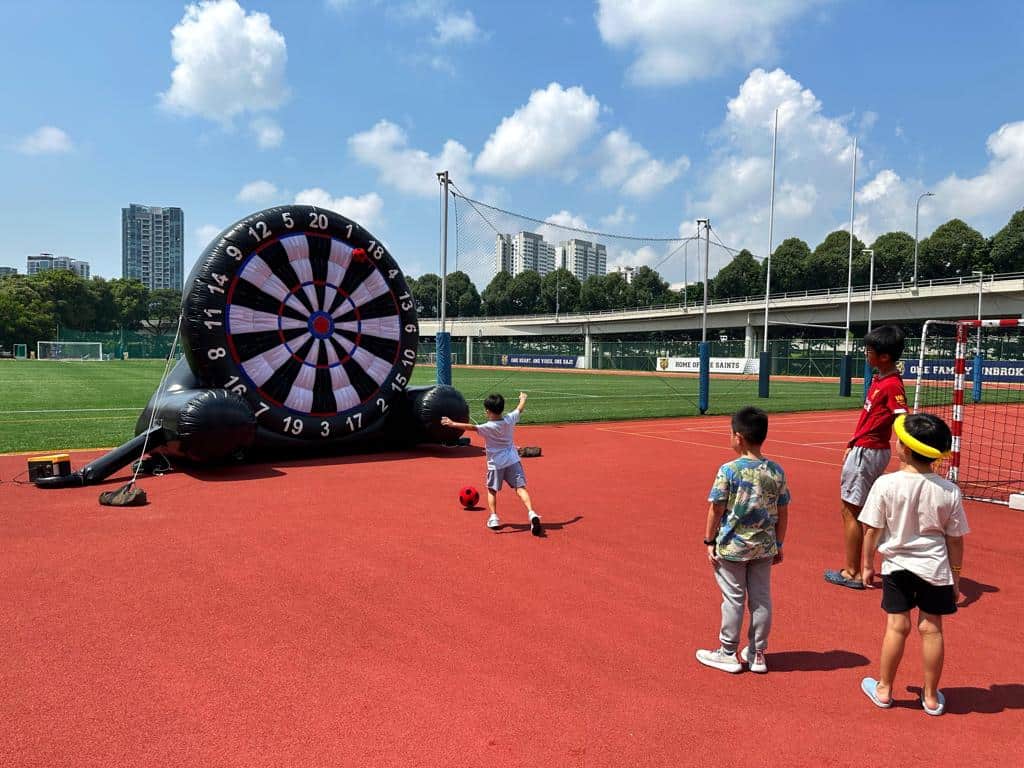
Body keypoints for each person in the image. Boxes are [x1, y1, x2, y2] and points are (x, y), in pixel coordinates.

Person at [858, 413, 968, 716]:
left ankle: (883, 689)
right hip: (935, 568)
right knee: (932, 629)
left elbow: (871, 530)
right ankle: (931, 697)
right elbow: (955, 540)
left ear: (905, 449)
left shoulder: (885, 484)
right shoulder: (949, 490)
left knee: (897, 626)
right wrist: (956, 577)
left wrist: (868, 564)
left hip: (896, 567)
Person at [696, 407, 790, 674]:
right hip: (763, 546)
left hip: (732, 546)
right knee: (761, 599)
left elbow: (716, 508)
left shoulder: (728, 470)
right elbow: (783, 510)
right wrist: (779, 543)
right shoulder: (776, 471)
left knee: (734, 599)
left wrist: (709, 540)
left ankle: (728, 651)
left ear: (738, 437)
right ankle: (758, 652)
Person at [825, 325, 908, 590]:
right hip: (864, 447)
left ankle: (853, 571)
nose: (865, 354)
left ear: (884, 356)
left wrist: (907, 451)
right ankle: (867, 565)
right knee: (862, 509)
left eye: (869, 351)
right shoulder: (880, 379)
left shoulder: (892, 384)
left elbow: (901, 416)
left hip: (869, 451)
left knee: (851, 509)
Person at [441, 392, 542, 536]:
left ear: (488, 411)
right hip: (513, 461)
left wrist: (452, 423)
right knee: (520, 488)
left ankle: (494, 517)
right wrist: (523, 398)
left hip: (496, 464)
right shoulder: (509, 419)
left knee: (492, 490)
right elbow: (519, 409)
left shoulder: (487, 427)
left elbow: (471, 427)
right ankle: (532, 513)